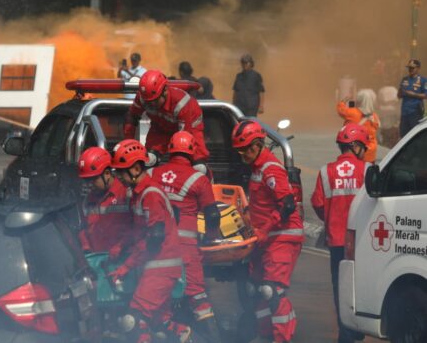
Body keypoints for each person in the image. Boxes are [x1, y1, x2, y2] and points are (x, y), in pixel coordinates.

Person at [109, 139, 190, 343]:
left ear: (136, 168)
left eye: (121, 172)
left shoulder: (150, 195)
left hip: (160, 268)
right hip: (157, 267)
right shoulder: (140, 195)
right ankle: (183, 335)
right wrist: (120, 246)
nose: (119, 177)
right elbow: (138, 231)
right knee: (159, 323)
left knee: (133, 320)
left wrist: (127, 265)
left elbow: (153, 239)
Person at [231, 120, 303, 343]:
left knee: (272, 292)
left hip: (281, 237)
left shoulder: (270, 169)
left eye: (246, 149)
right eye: (240, 150)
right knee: (256, 291)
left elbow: (287, 204)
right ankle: (266, 336)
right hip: (265, 239)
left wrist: (265, 229)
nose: (243, 154)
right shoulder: (256, 169)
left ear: (258, 144)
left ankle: (282, 338)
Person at [149, 131, 222, 341]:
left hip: (159, 247)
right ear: (192, 153)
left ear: (170, 150)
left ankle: (174, 333)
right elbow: (212, 214)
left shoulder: (154, 174)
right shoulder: (199, 179)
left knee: (161, 296)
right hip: (186, 247)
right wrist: (211, 237)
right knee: (197, 296)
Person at [311, 123, 369, 343]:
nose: (364, 151)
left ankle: (346, 333)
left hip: (337, 241)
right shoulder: (367, 169)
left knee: (341, 289)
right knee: (362, 285)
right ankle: (357, 329)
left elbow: (317, 202)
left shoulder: (326, 172)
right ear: (355, 146)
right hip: (363, 241)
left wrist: (331, 218)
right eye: (362, 146)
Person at [123, 69, 210, 166]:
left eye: (154, 101)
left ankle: (206, 176)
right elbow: (132, 117)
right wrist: (128, 144)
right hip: (160, 127)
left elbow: (184, 137)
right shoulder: (144, 97)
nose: (151, 105)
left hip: (190, 128)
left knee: (196, 165)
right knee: (149, 159)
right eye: (147, 102)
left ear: (165, 91)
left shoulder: (181, 104)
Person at [76, 147, 132, 253]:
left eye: (93, 179)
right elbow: (84, 228)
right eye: (87, 180)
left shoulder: (125, 195)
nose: (90, 184)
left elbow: (136, 229)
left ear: (107, 173)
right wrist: (86, 247)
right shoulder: (88, 200)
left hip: (121, 257)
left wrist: (120, 249)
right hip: (97, 258)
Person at [336, 89, 380, 163]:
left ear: (359, 101)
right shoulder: (374, 117)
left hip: (355, 150)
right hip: (370, 153)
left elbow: (340, 109)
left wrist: (345, 99)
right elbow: (376, 127)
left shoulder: (352, 112)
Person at [397, 59, 427, 137]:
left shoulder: (423, 80)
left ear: (418, 68)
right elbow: (399, 96)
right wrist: (400, 91)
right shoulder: (404, 79)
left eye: (412, 68)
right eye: (409, 68)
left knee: (415, 135)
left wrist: (413, 94)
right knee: (403, 135)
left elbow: (426, 95)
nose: (410, 69)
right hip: (404, 112)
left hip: (416, 112)